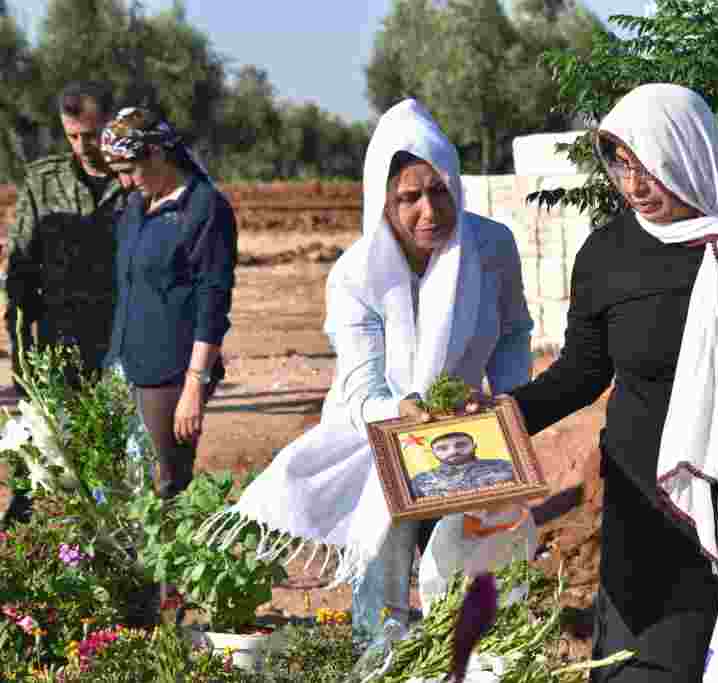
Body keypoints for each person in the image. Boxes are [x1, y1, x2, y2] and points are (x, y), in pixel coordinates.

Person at [475, 84, 718, 681]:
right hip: (652, 509)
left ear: (687, 151)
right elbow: (580, 373)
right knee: (653, 666)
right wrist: (494, 419)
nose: (633, 187)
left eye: (648, 167)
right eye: (620, 166)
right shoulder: (609, 254)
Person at [202, 98, 533, 648]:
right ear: (382, 201)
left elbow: (515, 331)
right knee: (384, 581)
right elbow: (361, 390)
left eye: (438, 191)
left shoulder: (492, 247)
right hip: (378, 437)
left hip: (467, 437)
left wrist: (508, 403)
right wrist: (402, 412)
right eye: (408, 197)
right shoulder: (356, 273)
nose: (428, 211)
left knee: (474, 570)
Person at [2, 81, 131, 527]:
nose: (82, 147)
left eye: (92, 135)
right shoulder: (43, 179)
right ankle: (25, 549)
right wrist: (21, 356)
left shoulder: (135, 178)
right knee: (41, 453)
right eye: (73, 136)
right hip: (58, 343)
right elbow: (19, 278)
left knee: (114, 458)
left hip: (122, 344)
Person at [100, 105, 237, 503]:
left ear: (157, 154)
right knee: (117, 488)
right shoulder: (135, 209)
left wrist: (194, 385)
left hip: (170, 375)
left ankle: (163, 567)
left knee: (166, 489)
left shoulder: (204, 209)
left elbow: (213, 303)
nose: (124, 182)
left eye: (129, 170)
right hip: (122, 368)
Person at [409, 431, 515, 498]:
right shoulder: (420, 481)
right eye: (442, 448)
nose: (453, 451)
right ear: (433, 453)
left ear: (474, 446)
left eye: (461, 445)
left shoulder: (503, 466)